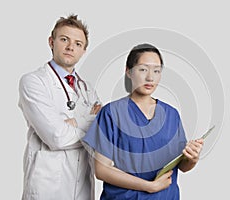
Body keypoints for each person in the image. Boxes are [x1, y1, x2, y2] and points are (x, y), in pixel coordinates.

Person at [83, 43, 204, 199]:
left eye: (156, 71)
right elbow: (101, 170)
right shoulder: (112, 113)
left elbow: (182, 166)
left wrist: (192, 159)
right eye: (143, 69)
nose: (150, 77)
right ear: (128, 71)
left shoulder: (171, 114)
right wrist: (149, 186)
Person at [18, 14, 101, 200]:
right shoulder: (34, 82)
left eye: (78, 44)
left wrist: (73, 123)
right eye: (64, 39)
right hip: (47, 186)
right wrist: (91, 121)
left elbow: (103, 132)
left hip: (83, 187)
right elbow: (56, 137)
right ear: (51, 42)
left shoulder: (86, 88)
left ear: (83, 50)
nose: (71, 47)